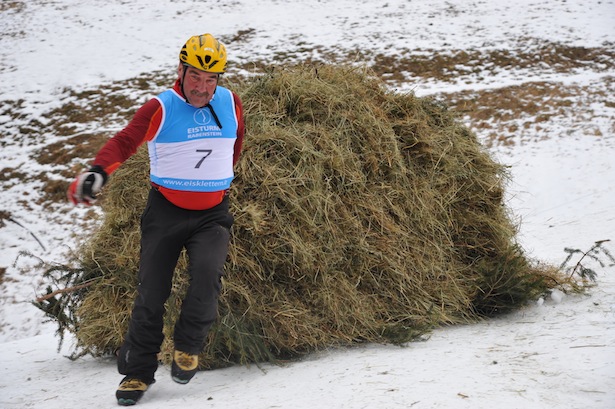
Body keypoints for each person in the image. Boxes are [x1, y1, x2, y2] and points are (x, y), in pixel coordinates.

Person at [68, 33, 245, 406]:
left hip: (213, 213)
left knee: (208, 275)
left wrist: (217, 181)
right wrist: (98, 171)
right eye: (195, 76)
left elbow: (236, 143)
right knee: (151, 292)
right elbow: (125, 141)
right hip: (165, 212)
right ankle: (137, 373)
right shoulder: (160, 107)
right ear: (180, 71)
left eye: (211, 79)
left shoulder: (231, 102)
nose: (202, 87)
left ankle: (188, 346)